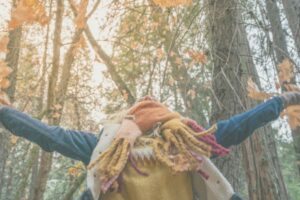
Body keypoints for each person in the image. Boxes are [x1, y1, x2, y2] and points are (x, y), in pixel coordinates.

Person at [0, 92, 299, 200]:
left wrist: (6, 114)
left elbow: (51, 136)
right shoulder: (183, 142)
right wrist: (281, 101)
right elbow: (240, 125)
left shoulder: (108, 144)